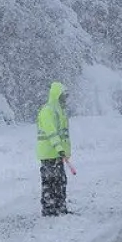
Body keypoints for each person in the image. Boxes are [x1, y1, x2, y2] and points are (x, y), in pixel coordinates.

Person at [36, 81, 72, 216]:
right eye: (64, 96)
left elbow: (63, 135)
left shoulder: (59, 112)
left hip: (57, 154)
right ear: (57, 95)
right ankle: (49, 209)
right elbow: (52, 133)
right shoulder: (48, 111)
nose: (65, 99)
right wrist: (60, 149)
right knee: (50, 182)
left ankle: (60, 207)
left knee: (60, 181)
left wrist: (64, 152)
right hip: (49, 154)